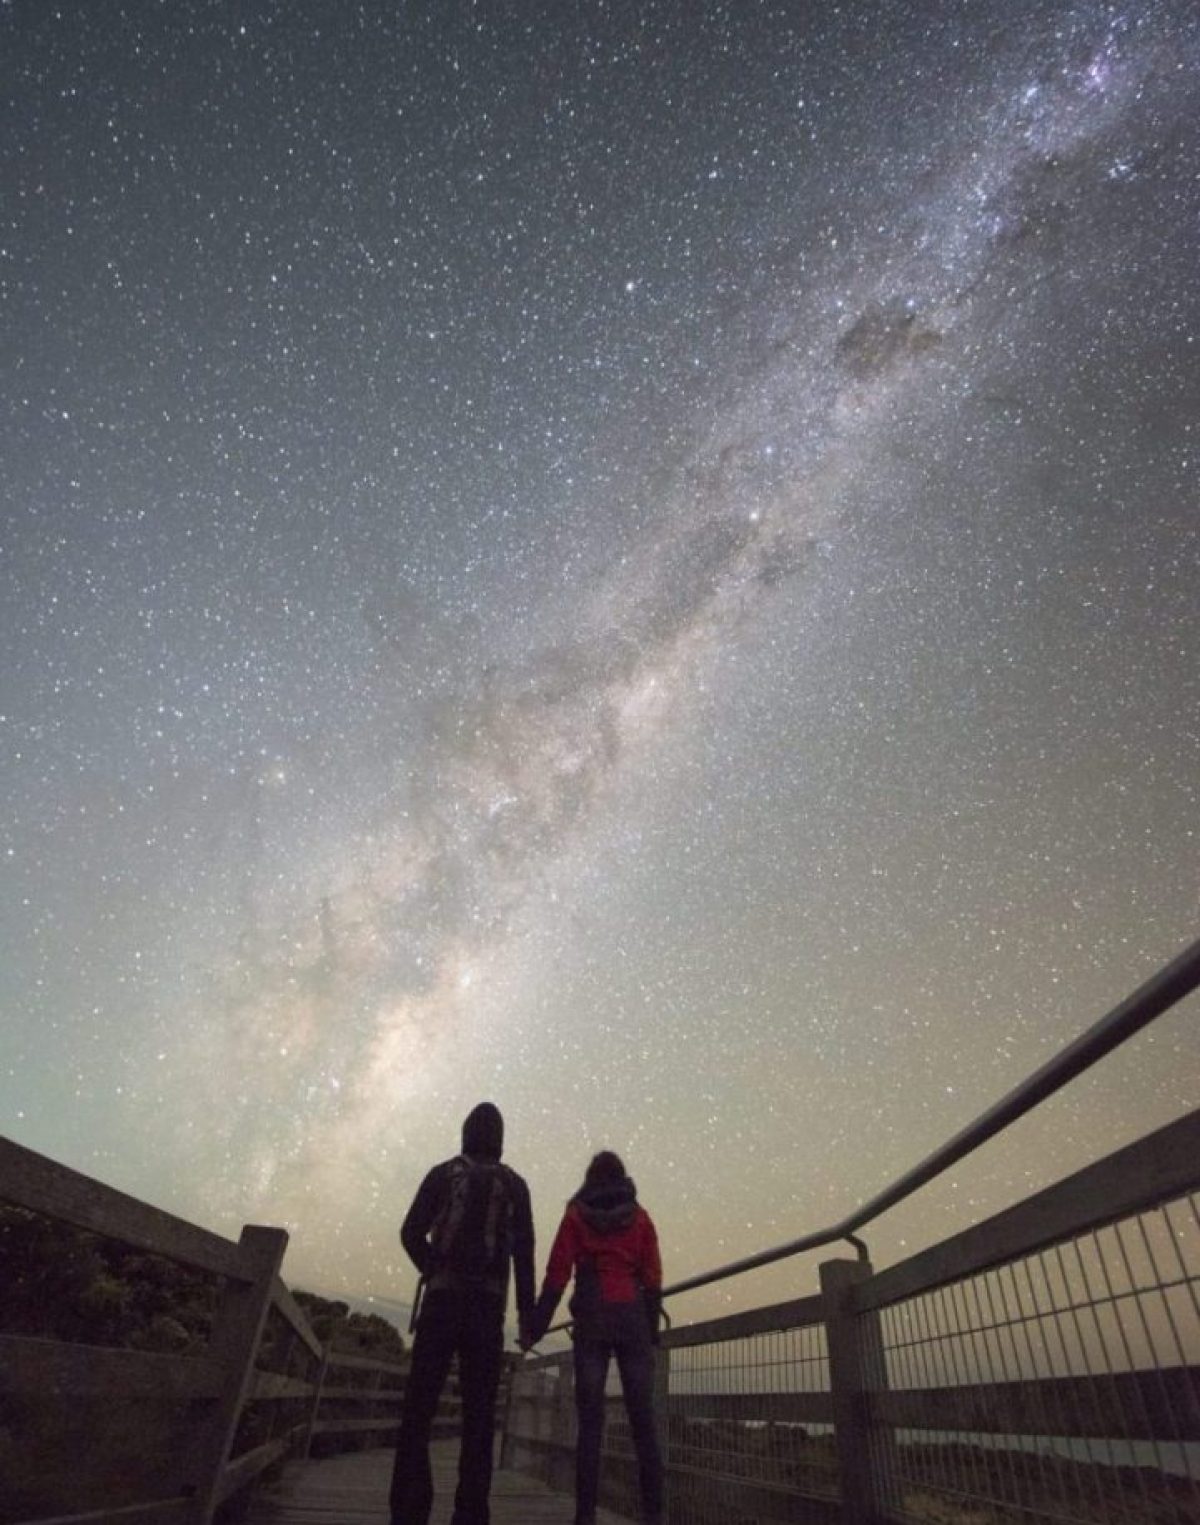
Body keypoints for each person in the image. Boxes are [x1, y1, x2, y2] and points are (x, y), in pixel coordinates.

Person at [390, 1101, 535, 1525]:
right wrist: (526, 1314)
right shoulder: (515, 1185)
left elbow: (409, 1231)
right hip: (487, 1309)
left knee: (419, 1410)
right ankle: (470, 1514)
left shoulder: (442, 1174)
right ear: (501, 1141)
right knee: (479, 1416)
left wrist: (433, 1265)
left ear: (465, 1133)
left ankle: (409, 1511)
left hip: (441, 1302)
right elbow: (524, 1254)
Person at [525, 1150, 664, 1525]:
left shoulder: (575, 1215)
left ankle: (585, 1516)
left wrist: (535, 1326)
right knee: (643, 1421)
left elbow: (557, 1273)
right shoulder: (640, 1217)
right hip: (632, 1316)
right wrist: (650, 1331)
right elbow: (652, 1277)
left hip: (591, 1317)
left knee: (590, 1423)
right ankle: (654, 1515)